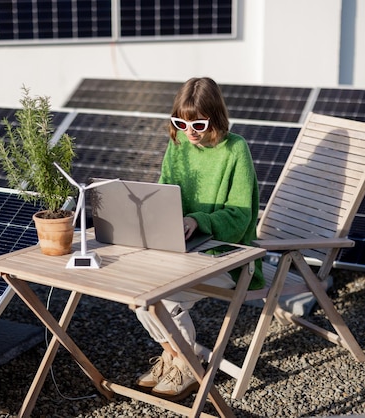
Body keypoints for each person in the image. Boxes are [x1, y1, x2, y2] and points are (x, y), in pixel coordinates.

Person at [134, 76, 264, 401]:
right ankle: (176, 356)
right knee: (138, 294)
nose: (188, 132)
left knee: (167, 300)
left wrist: (197, 220)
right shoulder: (178, 143)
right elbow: (164, 193)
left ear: (216, 119)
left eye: (199, 124)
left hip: (230, 255)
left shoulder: (236, 150)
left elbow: (240, 218)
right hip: (182, 249)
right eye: (180, 122)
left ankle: (188, 370)